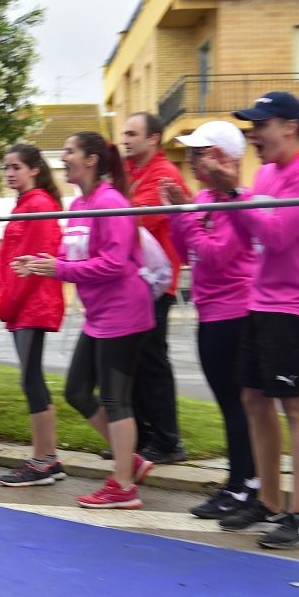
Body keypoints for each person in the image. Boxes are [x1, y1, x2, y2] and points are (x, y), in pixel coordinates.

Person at [202, 92, 299, 549]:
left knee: (296, 406)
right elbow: (250, 231)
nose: (253, 135)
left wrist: (234, 193)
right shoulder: (268, 174)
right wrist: (228, 195)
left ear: (289, 127)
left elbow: (276, 235)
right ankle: (271, 501)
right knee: (254, 399)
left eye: (261, 125)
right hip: (263, 305)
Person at [18, 132, 155, 509]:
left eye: (69, 151)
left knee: (114, 398)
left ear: (91, 160)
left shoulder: (111, 202)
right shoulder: (79, 203)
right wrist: (40, 265)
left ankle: (123, 486)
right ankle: (131, 461)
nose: (63, 158)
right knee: (77, 390)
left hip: (125, 311)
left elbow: (114, 263)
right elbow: (68, 256)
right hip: (99, 315)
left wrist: (58, 267)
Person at [161, 121, 257, 519]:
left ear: (224, 158)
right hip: (211, 312)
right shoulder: (203, 199)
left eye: (200, 152)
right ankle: (237, 484)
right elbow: (187, 252)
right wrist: (177, 213)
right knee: (228, 405)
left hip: (235, 313)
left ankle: (246, 487)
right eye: (192, 152)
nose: (192, 160)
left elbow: (216, 255)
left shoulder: (240, 202)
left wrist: (184, 216)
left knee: (238, 407)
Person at [0, 144, 66, 487]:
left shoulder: (37, 205)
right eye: (6, 167)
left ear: (35, 169)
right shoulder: (28, 203)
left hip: (31, 305)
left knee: (31, 380)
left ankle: (43, 461)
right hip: (26, 306)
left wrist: (6, 305)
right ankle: (47, 458)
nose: (9, 173)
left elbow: (31, 266)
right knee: (31, 379)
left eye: (16, 167)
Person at [121, 112, 188, 464]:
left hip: (156, 285)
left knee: (151, 361)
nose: (125, 139)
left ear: (153, 139)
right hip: (133, 285)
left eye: (132, 134)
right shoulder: (131, 174)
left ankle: (167, 440)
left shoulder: (164, 175)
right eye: (124, 133)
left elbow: (138, 219)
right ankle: (142, 438)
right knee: (133, 362)